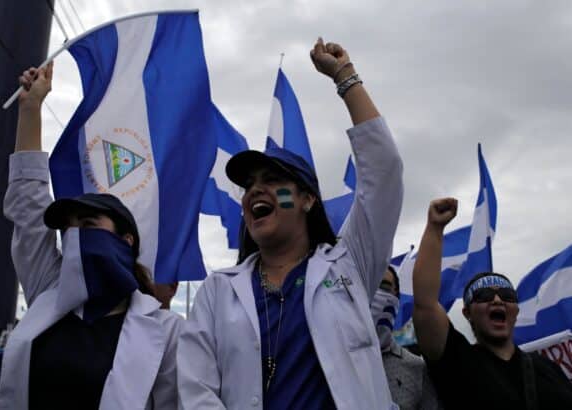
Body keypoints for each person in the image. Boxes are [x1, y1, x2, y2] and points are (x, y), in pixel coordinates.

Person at [177, 38, 404, 409]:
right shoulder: (217, 292)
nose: (255, 191)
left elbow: (385, 169)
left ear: (307, 199)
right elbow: (196, 389)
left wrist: (344, 77)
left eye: (271, 180)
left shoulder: (350, 266)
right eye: (249, 185)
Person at [0, 63, 181, 409]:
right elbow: (27, 206)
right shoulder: (49, 293)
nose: (77, 235)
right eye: (70, 227)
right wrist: (30, 109)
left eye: (90, 224)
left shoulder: (167, 331)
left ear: (126, 241)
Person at [412, 197, 572, 410]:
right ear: (467, 313)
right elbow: (426, 303)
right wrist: (435, 227)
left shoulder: (548, 368)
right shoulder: (457, 361)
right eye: (484, 295)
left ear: (515, 309)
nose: (497, 300)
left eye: (507, 295)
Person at [371, 267, 441, 409]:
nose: (375, 294)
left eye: (384, 287)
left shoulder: (416, 369)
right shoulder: (325, 357)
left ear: (396, 297)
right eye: (368, 286)